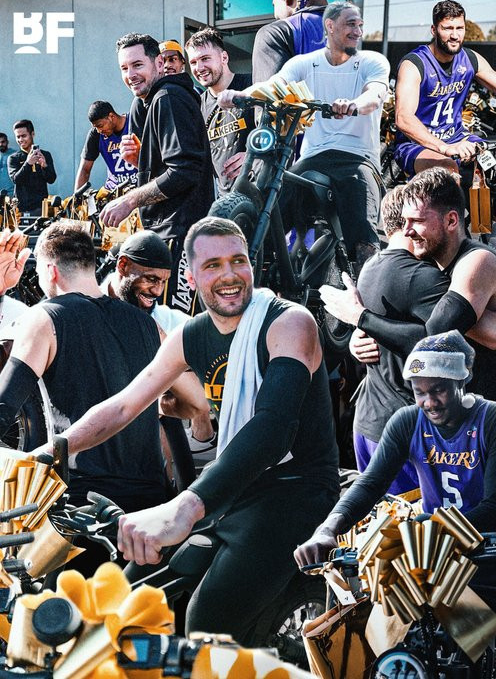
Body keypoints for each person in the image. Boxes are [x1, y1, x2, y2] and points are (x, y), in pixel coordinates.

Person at [34, 217, 339, 645]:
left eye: (238, 261)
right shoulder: (190, 336)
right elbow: (124, 405)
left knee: (205, 621)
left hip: (293, 491)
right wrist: (53, 451)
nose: (230, 275)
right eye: (213, 265)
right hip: (231, 491)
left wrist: (185, 507)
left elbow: (274, 428)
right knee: (127, 599)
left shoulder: (290, 323)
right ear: (191, 279)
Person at [295, 330, 496, 679]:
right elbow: (370, 484)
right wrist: (327, 529)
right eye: (419, 392)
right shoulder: (408, 421)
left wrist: (420, 534)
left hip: (493, 555)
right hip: (434, 564)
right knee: (402, 652)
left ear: (462, 381)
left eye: (438, 389)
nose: (429, 402)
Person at [323, 167, 496, 538]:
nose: (406, 231)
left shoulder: (477, 263)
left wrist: (360, 317)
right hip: (465, 424)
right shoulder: (431, 263)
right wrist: (363, 336)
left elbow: (433, 336)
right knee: (460, 541)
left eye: (416, 222)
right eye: (404, 220)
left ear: (452, 220)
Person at [0, 224, 169, 521]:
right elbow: (195, 404)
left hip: (82, 510)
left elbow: (3, 407)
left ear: (51, 271)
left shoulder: (45, 318)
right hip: (151, 510)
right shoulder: (150, 326)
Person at [221, 1, 390, 269]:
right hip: (313, 158)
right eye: (350, 25)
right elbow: (272, 86)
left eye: (359, 26)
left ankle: (366, 289)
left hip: (357, 159)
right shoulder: (304, 64)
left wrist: (355, 104)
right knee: (272, 214)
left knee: (363, 240)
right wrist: (241, 95)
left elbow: (375, 94)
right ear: (329, 27)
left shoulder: (372, 61)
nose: (357, 31)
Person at [394, 0, 496, 253]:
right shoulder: (415, 63)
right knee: (449, 169)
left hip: (457, 137)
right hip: (416, 145)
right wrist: (444, 147)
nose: (455, 35)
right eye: (447, 28)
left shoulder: (470, 59)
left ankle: (493, 237)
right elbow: (403, 118)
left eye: (459, 28)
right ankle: (451, 251)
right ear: (434, 30)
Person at [100, 33, 214, 313]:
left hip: (181, 232)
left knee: (175, 321)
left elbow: (184, 171)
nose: (130, 75)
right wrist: (141, 160)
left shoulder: (168, 98)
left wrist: (130, 200)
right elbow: (175, 164)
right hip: (170, 230)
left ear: (159, 63)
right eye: (124, 68)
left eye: (137, 65)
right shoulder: (154, 100)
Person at [101, 230, 216, 451]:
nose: (158, 291)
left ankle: (203, 438)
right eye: (151, 279)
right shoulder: (89, 308)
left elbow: (200, 398)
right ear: (123, 266)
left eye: (164, 282)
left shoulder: (165, 321)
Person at [185, 28, 254, 195]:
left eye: (205, 59)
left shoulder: (252, 85)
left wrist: (255, 157)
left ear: (224, 58)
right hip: (225, 200)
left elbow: (282, 132)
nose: (199, 67)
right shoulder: (198, 105)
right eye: (193, 62)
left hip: (262, 194)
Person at [252, 0, 328, 83]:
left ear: (288, 0)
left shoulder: (273, 33)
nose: (278, 20)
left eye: (278, 18)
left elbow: (270, 90)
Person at [74, 101, 137, 192]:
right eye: (95, 127)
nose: (99, 131)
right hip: (114, 191)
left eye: (100, 126)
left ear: (111, 116)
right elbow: (85, 169)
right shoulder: (96, 135)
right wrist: (77, 197)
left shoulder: (136, 122)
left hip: (139, 188)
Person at [8, 120, 56, 217]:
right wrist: (28, 163)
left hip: (41, 208)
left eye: (24, 136)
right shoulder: (13, 158)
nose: (20, 140)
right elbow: (16, 180)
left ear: (32, 134)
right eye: (18, 137)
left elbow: (51, 179)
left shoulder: (45, 155)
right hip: (22, 209)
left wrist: (44, 166)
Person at [0, 133, 15, 198]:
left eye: (3, 142)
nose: (1, 144)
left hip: (12, 193)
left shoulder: (15, 154)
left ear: (7, 142)